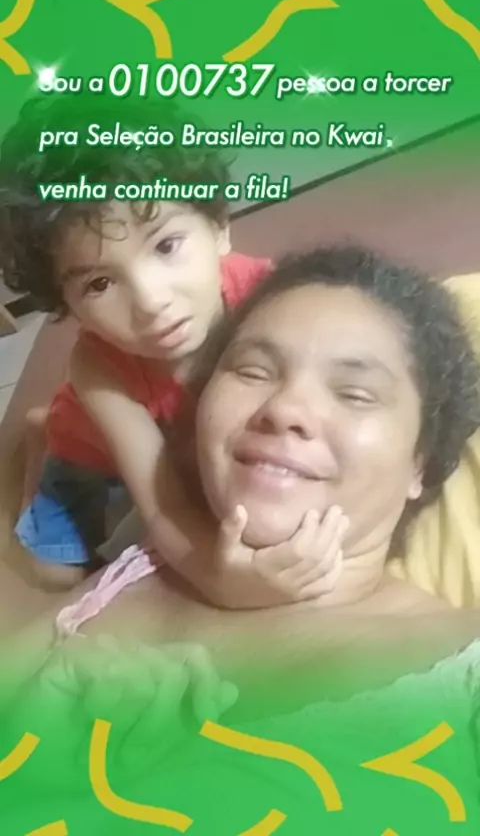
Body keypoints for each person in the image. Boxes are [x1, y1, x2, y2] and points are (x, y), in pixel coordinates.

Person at [4, 245, 480, 834]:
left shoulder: (461, 674)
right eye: (253, 371)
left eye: (354, 393)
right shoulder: (138, 571)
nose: (285, 409)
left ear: (420, 462)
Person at [0, 94, 346, 601]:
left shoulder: (269, 298)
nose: (150, 302)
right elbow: (163, 506)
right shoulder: (97, 366)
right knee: (54, 576)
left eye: (166, 246)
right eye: (99, 283)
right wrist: (225, 582)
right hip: (91, 453)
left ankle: (42, 424)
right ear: (65, 303)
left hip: (178, 437)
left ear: (218, 226)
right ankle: (36, 452)